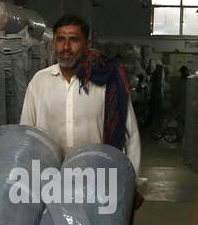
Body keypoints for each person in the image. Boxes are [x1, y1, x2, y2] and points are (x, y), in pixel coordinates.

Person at [19, 13, 141, 176]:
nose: (66, 47)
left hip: (97, 177)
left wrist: (130, 184)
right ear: (54, 43)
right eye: (60, 39)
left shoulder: (107, 82)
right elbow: (26, 133)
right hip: (49, 178)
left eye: (74, 40)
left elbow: (130, 136)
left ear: (87, 44)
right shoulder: (40, 81)